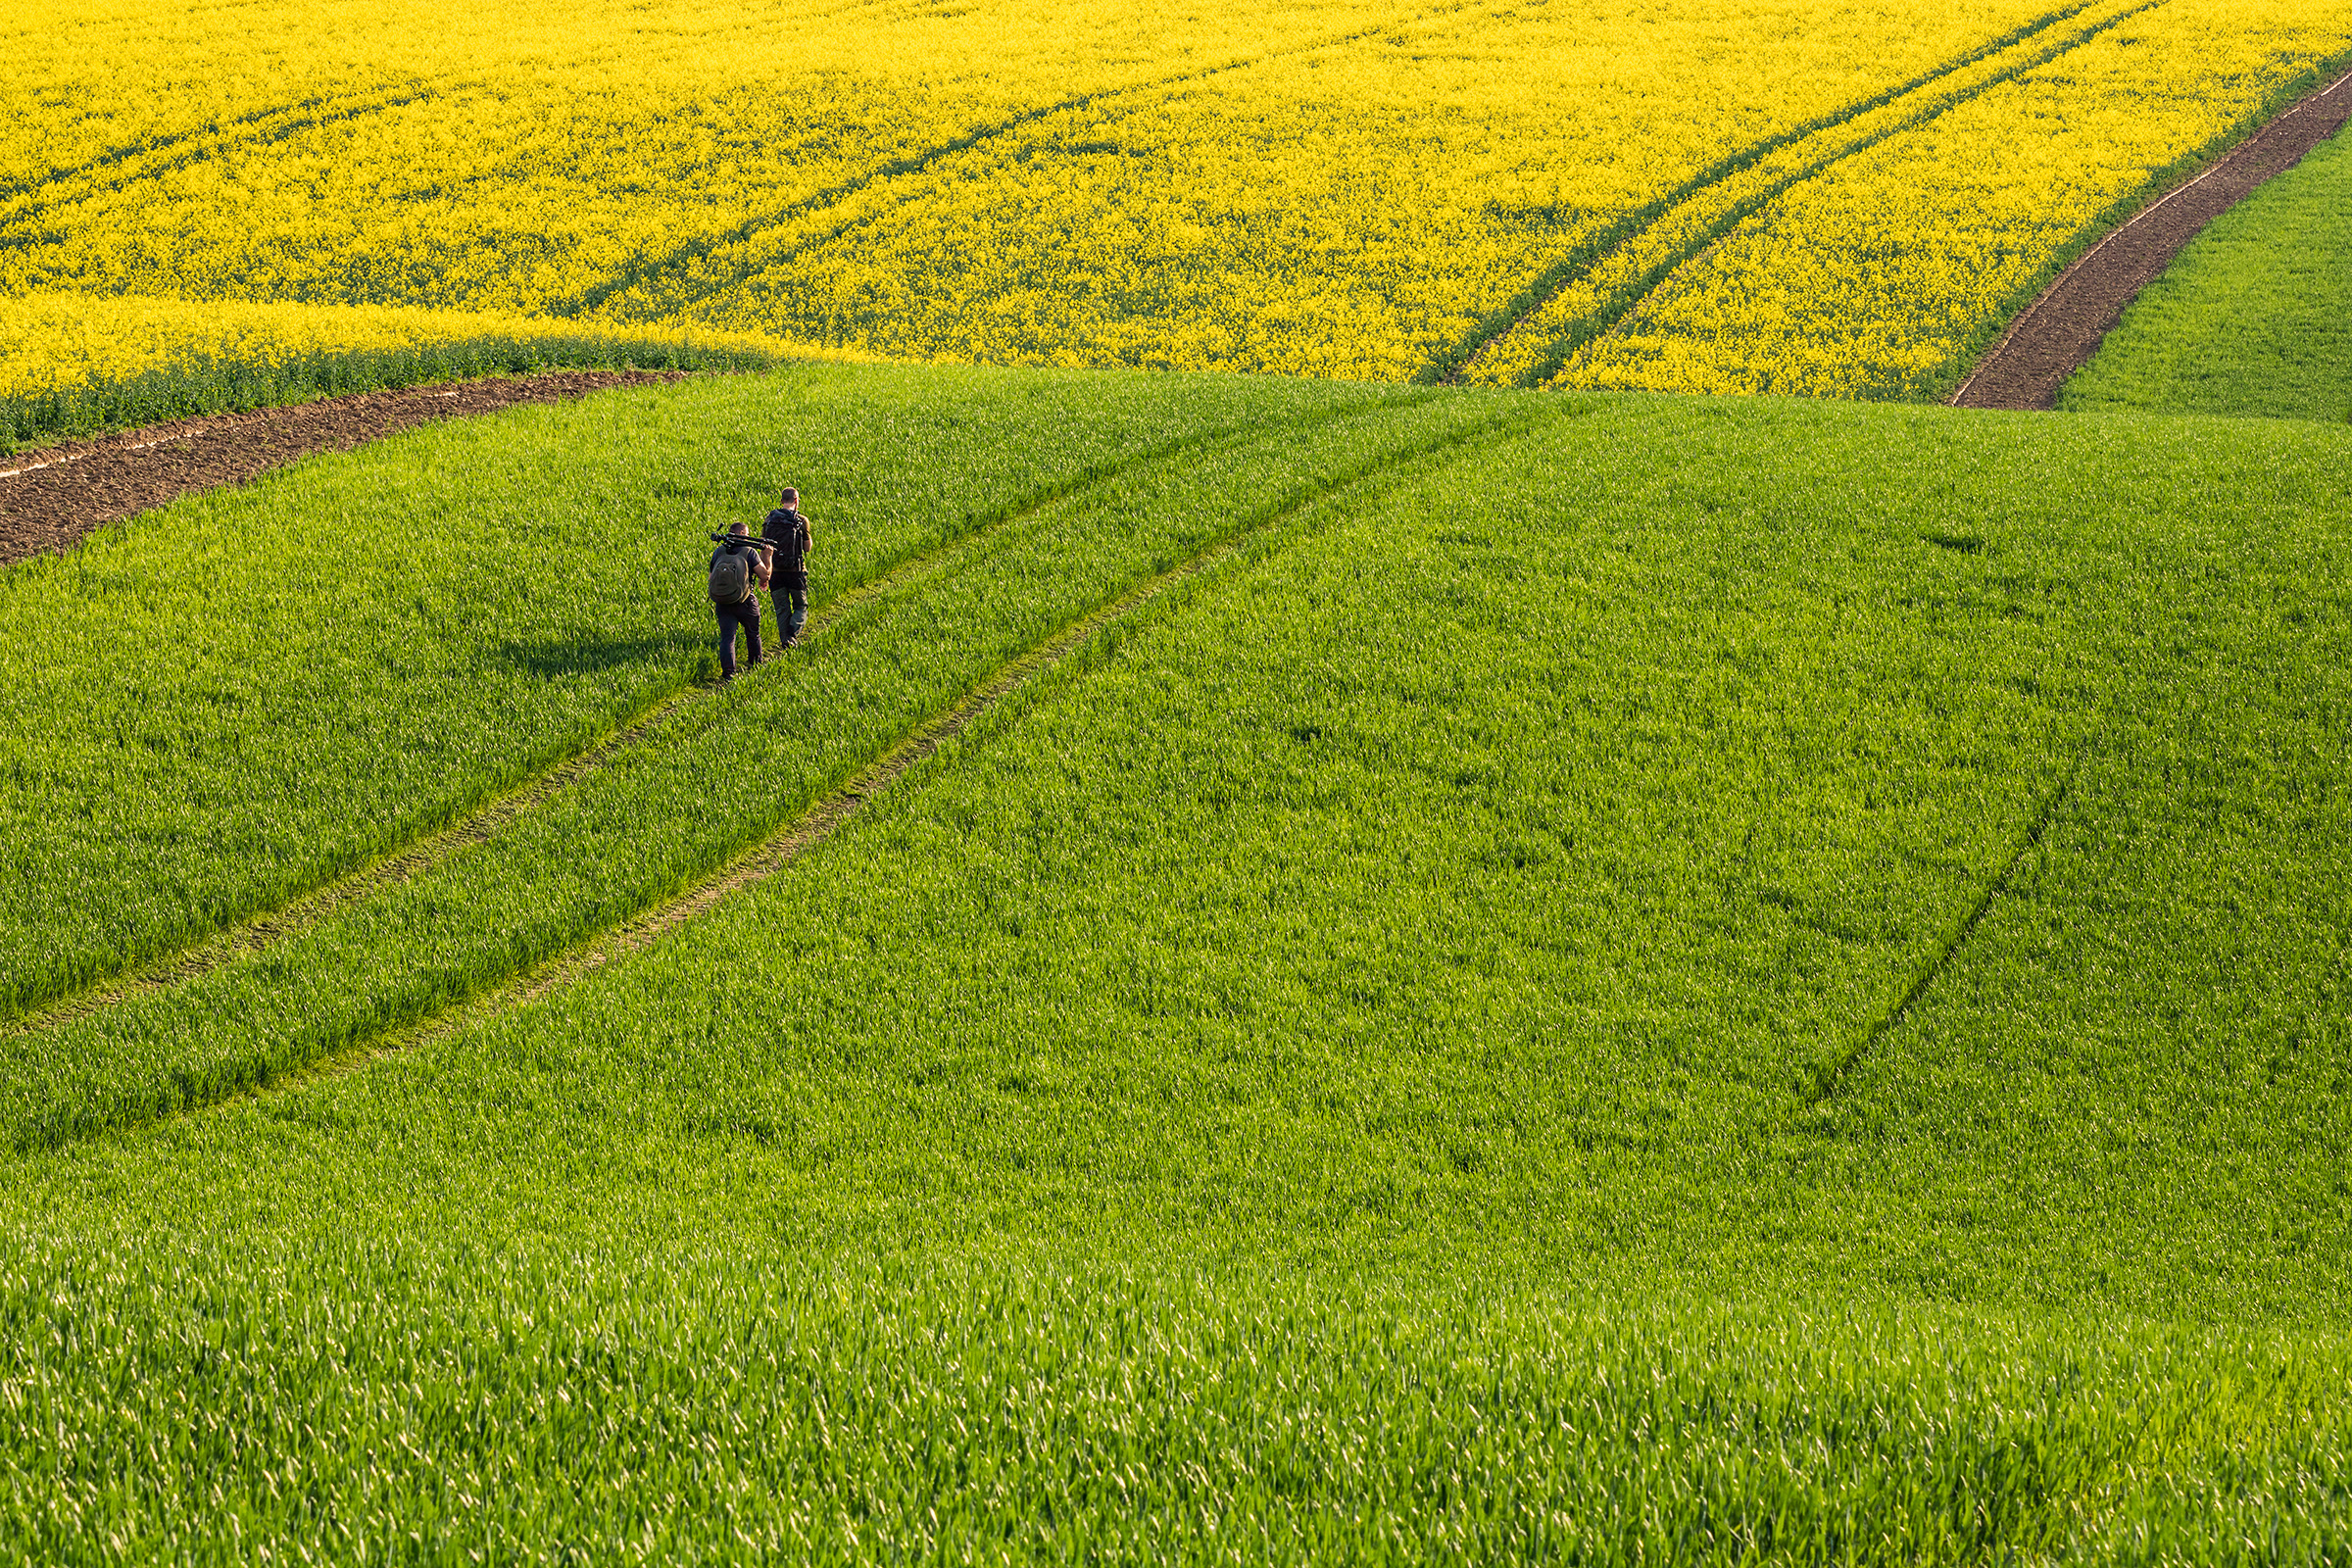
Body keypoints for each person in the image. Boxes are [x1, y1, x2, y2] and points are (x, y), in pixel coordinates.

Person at [708, 521, 771, 680]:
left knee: (728, 637)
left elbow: (711, 577)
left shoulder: (718, 551)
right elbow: (765, 575)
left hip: (723, 601)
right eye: (747, 534)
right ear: (742, 533)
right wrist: (768, 557)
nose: (749, 537)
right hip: (745, 601)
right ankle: (756, 664)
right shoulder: (749, 552)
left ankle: (728, 674)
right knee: (753, 633)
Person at [761, 486, 816, 647]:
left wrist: (764, 573)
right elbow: (807, 548)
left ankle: (786, 639)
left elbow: (764, 546)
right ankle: (792, 633)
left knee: (782, 609)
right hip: (796, 571)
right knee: (801, 606)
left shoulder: (769, 519)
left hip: (775, 572)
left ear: (781, 501)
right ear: (796, 500)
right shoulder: (801, 520)